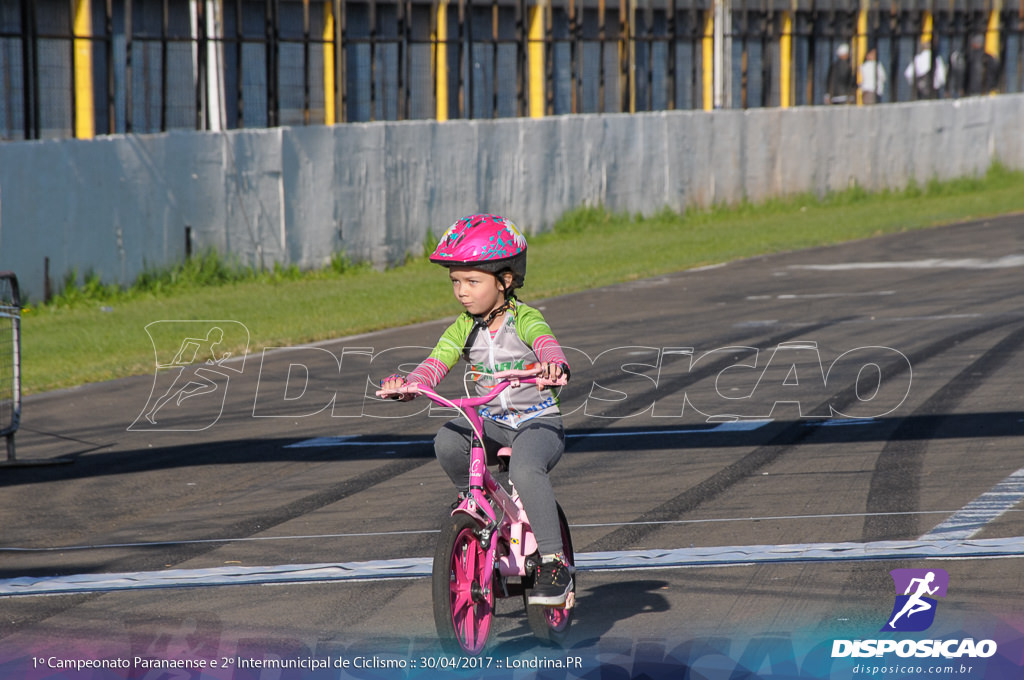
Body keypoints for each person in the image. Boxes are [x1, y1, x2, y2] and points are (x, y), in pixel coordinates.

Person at [379, 213, 573, 606]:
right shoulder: (463, 327)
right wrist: (411, 384)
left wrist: (553, 365)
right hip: (493, 422)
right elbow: (437, 361)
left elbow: (546, 344)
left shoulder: (525, 319)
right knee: (449, 441)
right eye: (455, 281)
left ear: (505, 280)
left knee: (524, 467)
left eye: (472, 281)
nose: (462, 292)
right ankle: (477, 509)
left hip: (537, 423)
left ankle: (555, 565)